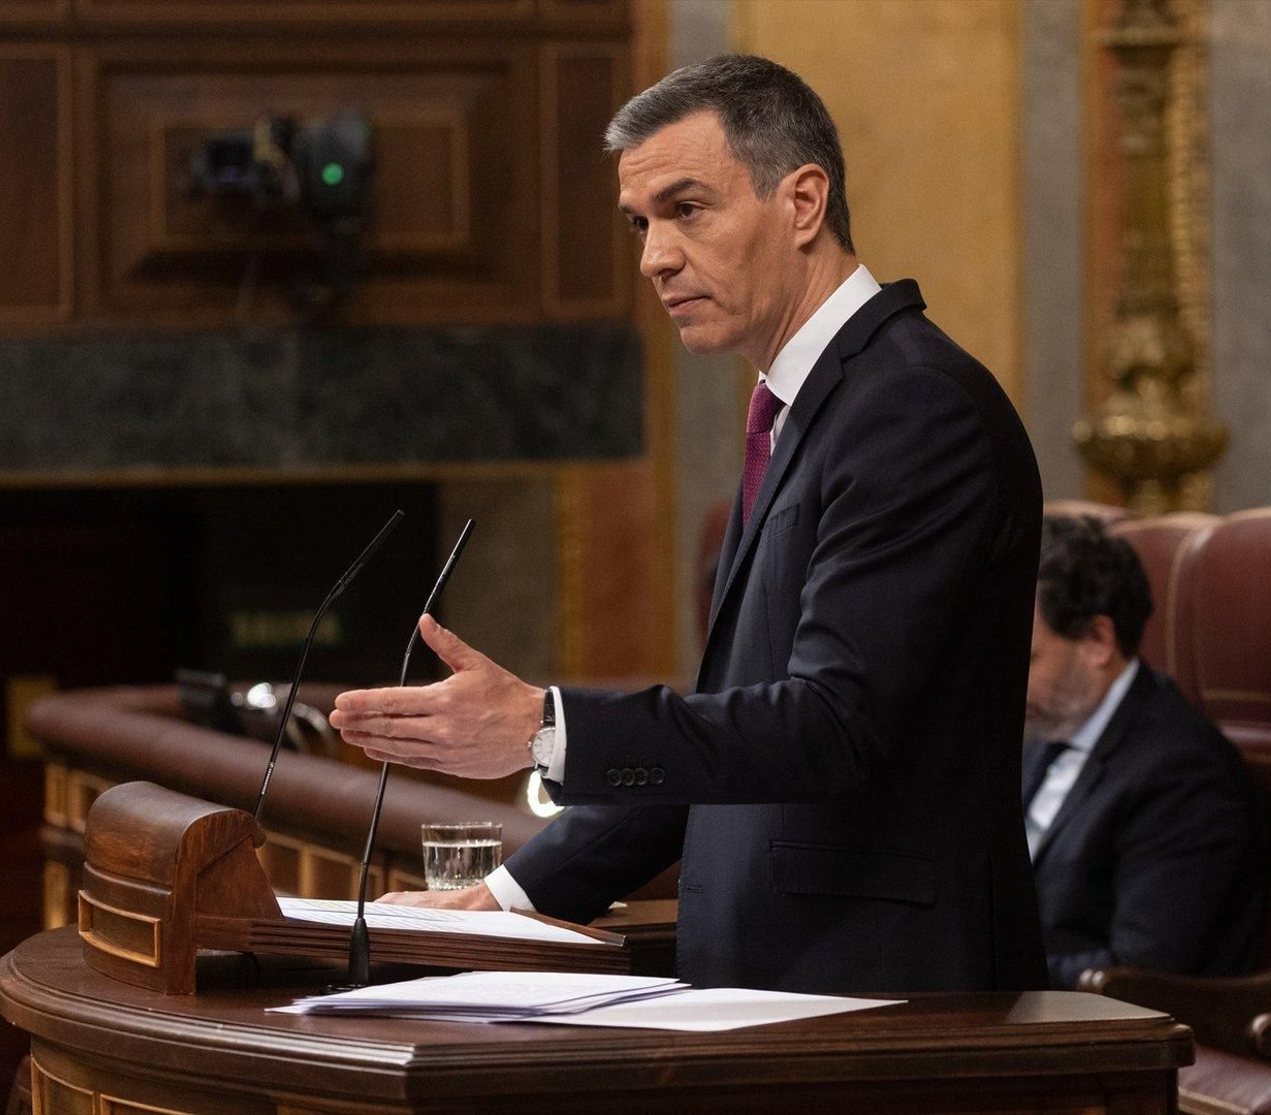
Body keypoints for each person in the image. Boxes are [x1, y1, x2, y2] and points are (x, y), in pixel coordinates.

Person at [329, 54, 1047, 993]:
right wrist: (509, 894)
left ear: (802, 201)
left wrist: (547, 729)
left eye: (687, 209)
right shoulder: (809, 408)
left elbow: (832, 724)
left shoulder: (913, 405)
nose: (652, 257)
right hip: (787, 987)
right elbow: (732, 730)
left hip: (889, 1000)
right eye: (642, 222)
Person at [1024, 515, 1266, 991]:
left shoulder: (1181, 773)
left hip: (1107, 1040)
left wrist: (984, 972)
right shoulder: (1045, 731)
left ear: (1097, 641)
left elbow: (1141, 972)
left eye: (1025, 657)